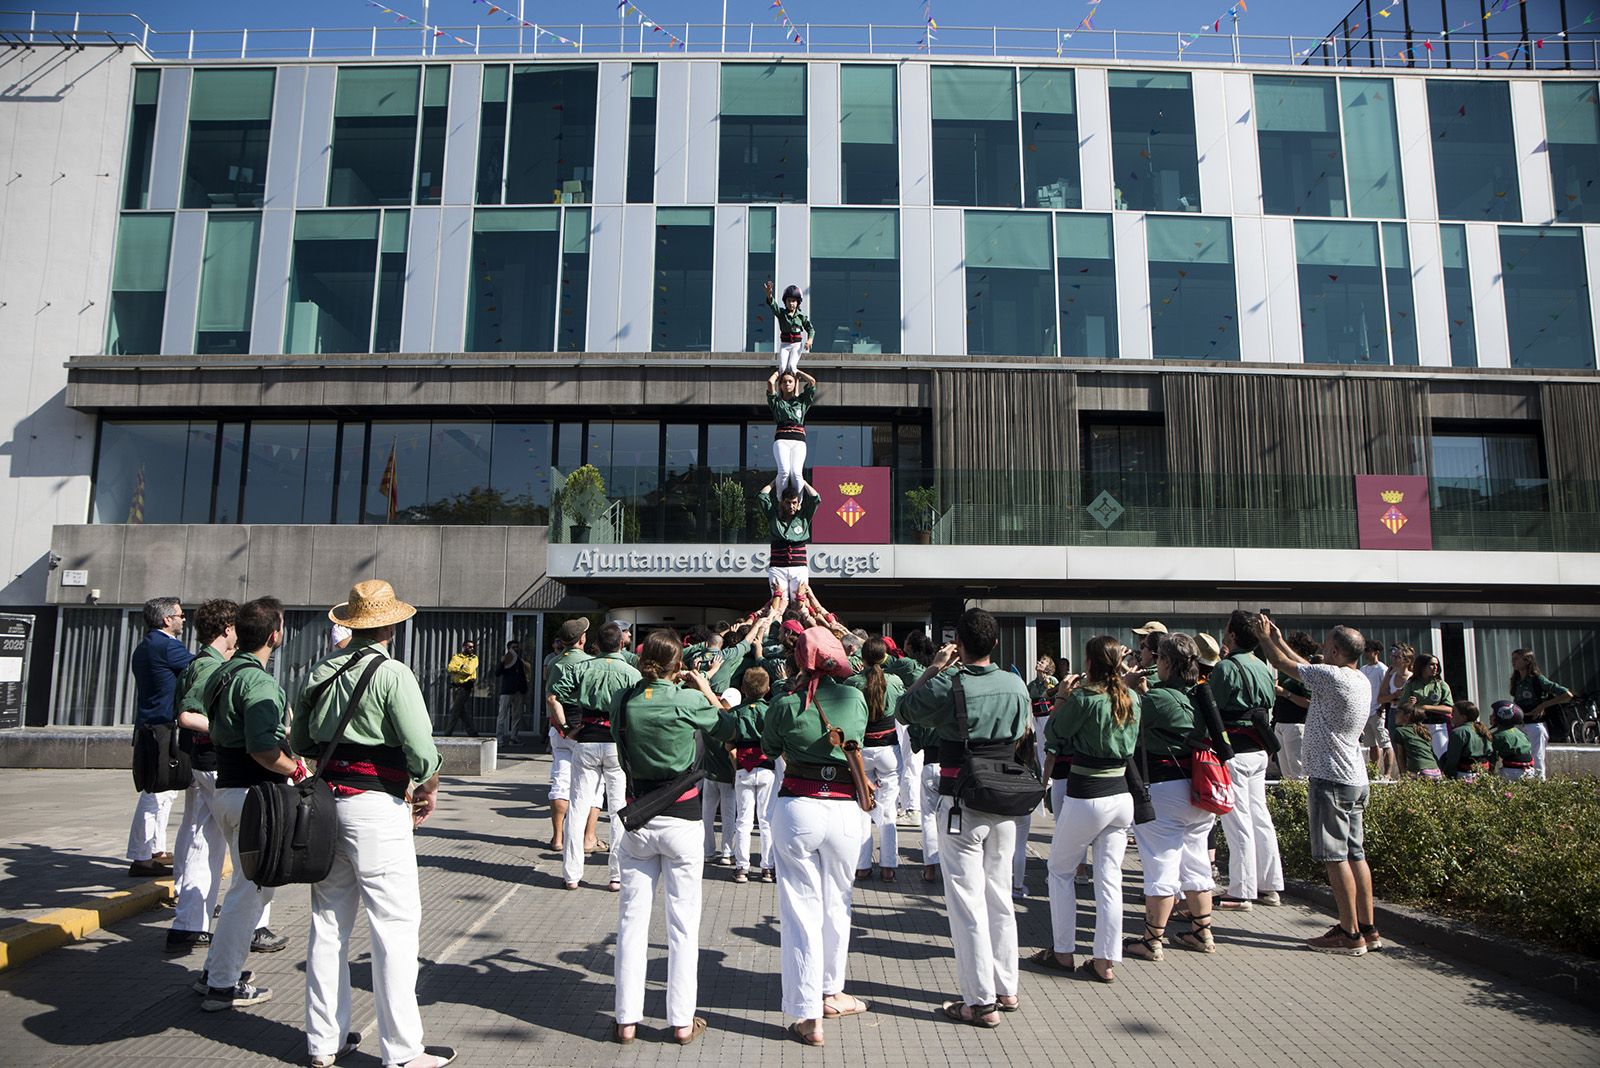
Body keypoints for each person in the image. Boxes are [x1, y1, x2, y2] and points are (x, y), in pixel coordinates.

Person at [294, 580, 454, 1068]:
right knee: (394, 926)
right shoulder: (394, 674)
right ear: (391, 625)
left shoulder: (320, 671)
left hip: (325, 801)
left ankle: (324, 1043)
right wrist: (428, 786)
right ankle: (402, 1051)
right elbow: (421, 750)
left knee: (327, 924)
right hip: (376, 805)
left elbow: (299, 737)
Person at [899, 609, 1030, 1025]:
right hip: (1007, 798)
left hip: (962, 799)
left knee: (966, 902)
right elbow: (1024, 730)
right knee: (999, 896)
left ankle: (979, 1000)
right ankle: (1006, 988)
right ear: (994, 643)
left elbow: (903, 711)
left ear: (960, 644)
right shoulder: (1015, 683)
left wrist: (935, 668)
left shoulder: (947, 683)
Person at [610, 630, 736, 1045]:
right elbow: (729, 728)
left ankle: (626, 1019)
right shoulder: (687, 700)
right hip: (682, 819)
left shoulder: (624, 700)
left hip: (638, 815)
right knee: (683, 923)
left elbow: (617, 740)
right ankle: (681, 1021)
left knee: (631, 919)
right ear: (678, 664)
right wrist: (703, 685)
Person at [761, 626, 871, 1046]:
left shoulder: (786, 703)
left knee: (800, 908)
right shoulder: (854, 697)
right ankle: (832, 991)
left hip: (798, 805)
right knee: (838, 902)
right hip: (844, 808)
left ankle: (808, 1016)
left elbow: (771, 747)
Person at [1253, 616, 1378, 956]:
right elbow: (1304, 665)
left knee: (1335, 857)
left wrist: (1265, 639)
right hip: (1354, 777)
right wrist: (1280, 638)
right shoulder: (1358, 678)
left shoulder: (1330, 677)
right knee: (1355, 853)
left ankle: (1349, 933)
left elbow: (1283, 665)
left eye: (1327, 646)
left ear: (1336, 651)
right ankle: (1368, 927)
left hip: (1331, 778)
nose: (1322, 650)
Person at [198, 597, 299, 1012]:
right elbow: (262, 747)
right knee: (250, 891)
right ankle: (222, 984)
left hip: (229, 793)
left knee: (246, 886)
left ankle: (215, 971)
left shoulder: (222, 674)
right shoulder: (259, 682)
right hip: (254, 798)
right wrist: (297, 770)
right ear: (275, 634)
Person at [1036, 635, 1139, 983]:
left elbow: (1054, 731)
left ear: (1092, 662)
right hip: (1121, 794)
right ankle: (1105, 960)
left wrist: (1062, 696)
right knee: (1109, 877)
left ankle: (1064, 952)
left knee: (1060, 870)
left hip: (1088, 792)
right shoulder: (1132, 698)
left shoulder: (1084, 698)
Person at [1125, 633, 1232, 961]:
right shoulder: (1200, 696)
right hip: (1200, 789)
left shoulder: (1155, 700)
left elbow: (1124, 721)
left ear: (1167, 663)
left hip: (1164, 788)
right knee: (1197, 862)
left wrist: (1128, 687)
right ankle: (1203, 932)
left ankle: (1152, 939)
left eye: (1159, 659)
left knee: (1161, 863)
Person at [167, 599, 244, 954]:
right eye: (237, 628)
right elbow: (187, 716)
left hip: (201, 760)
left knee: (203, 841)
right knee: (244, 842)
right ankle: (251, 927)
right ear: (227, 629)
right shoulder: (209, 667)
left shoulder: (200, 662)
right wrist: (230, 729)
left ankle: (189, 923)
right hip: (215, 760)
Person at [553, 622, 641, 893]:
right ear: (621, 644)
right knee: (618, 810)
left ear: (597, 644)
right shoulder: (631, 673)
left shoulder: (582, 667)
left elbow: (556, 695)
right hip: (616, 742)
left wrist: (568, 727)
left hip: (587, 739)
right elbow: (639, 706)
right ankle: (616, 875)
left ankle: (571, 874)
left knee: (578, 806)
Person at [1211, 609, 1283, 910]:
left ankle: (1241, 890)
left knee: (1237, 819)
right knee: (1260, 816)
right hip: (1259, 749)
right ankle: (1270, 885)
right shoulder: (1264, 668)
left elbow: (1210, 705)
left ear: (1232, 635)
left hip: (1234, 750)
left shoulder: (1225, 668)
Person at [127, 596, 195, 877]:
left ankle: (154, 850)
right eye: (180, 615)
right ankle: (142, 857)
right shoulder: (167, 646)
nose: (183, 619)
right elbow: (200, 668)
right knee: (156, 793)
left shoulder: (145, 646)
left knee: (163, 792)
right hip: (163, 729)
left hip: (150, 727)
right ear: (167, 620)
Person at [848, 638, 905, 882]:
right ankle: (889, 866)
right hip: (889, 749)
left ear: (862, 658)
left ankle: (862, 866)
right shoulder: (895, 681)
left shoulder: (853, 683)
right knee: (888, 808)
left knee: (863, 808)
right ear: (884, 658)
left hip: (862, 750)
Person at [545, 619, 599, 854]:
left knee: (560, 779)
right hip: (586, 726)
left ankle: (558, 837)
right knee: (594, 784)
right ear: (582, 639)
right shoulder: (592, 663)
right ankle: (589, 837)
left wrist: (563, 725)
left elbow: (551, 698)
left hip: (560, 728)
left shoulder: (554, 662)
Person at [730, 666, 777, 884]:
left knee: (744, 819)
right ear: (767, 688)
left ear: (743, 688)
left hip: (743, 766)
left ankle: (742, 867)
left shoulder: (736, 712)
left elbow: (728, 742)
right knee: (766, 819)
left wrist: (736, 762)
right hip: (766, 765)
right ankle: (768, 867)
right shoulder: (770, 710)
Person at [1511, 649, 1572, 779]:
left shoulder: (1537, 679)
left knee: (1536, 758)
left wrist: (1543, 705)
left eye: (1517, 659)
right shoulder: (1517, 681)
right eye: (1513, 658)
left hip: (1535, 725)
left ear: (1527, 661)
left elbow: (1567, 694)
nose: (1513, 662)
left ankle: (1540, 785)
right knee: (1523, 759)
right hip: (1521, 724)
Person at [759, 478, 821, 600]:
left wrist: (802, 482)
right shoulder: (774, 516)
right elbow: (762, 496)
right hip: (778, 567)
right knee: (779, 601)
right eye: (788, 503)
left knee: (800, 601)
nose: (791, 506)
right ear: (782, 502)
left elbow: (816, 499)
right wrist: (774, 482)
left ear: (798, 504)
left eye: (794, 503)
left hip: (799, 568)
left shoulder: (803, 517)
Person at [1270, 631, 1319, 781]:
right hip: (1281, 721)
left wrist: (1286, 693)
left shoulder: (1307, 670)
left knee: (1298, 772)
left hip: (1297, 724)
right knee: (1286, 774)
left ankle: (1303, 803)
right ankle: (1292, 802)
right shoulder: (1285, 669)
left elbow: (1310, 703)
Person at [766, 368, 819, 500]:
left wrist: (798, 372)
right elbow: (770, 382)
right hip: (782, 440)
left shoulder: (802, 401)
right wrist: (779, 372)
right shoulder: (777, 402)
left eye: (790, 381)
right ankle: (781, 502)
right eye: (784, 382)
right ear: (780, 385)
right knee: (784, 472)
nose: (787, 384)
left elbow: (812, 382)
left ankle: (798, 503)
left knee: (796, 473)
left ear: (795, 383)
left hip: (798, 441)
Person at [1398, 653, 1455, 759]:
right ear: (1422, 666)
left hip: (1437, 725)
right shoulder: (1411, 684)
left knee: (1441, 756)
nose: (1435, 668)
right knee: (1420, 757)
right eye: (1432, 665)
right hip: (1418, 725)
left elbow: (1449, 709)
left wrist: (1425, 707)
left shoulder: (1441, 685)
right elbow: (1401, 706)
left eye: (1437, 665)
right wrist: (1410, 705)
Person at [1358, 640, 1396, 781]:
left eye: (1368, 650)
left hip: (1379, 711)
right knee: (1371, 745)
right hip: (1366, 712)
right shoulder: (1363, 669)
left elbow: (1386, 689)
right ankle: (1373, 772)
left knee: (1385, 743)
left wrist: (1382, 707)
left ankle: (1387, 773)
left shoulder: (1382, 669)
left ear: (1376, 652)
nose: (1365, 653)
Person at [764, 279, 814, 374]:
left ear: (798, 302)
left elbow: (810, 329)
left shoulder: (801, 316)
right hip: (785, 345)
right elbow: (774, 306)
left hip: (796, 345)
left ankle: (797, 382)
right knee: (782, 368)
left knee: (792, 367)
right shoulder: (781, 313)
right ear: (785, 301)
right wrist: (769, 295)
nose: (791, 303)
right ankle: (778, 385)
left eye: (794, 301)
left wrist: (810, 339)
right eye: (789, 301)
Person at [1440, 701, 1493, 780]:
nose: (1451, 715)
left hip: (1465, 774)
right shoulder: (1482, 729)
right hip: (1483, 772)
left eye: (1454, 712)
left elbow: (1452, 759)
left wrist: (1448, 776)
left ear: (1463, 717)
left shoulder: (1459, 732)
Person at [1390, 706, 1442, 779]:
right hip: (1436, 771)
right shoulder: (1424, 731)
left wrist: (1403, 775)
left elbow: (1400, 755)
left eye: (1398, 712)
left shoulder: (1400, 731)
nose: (1395, 715)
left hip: (1421, 772)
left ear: (1407, 716)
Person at [1490, 701, 1535, 780]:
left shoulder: (1497, 736)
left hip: (1512, 771)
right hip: (1529, 770)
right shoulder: (1520, 733)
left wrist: (1489, 773)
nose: (1490, 716)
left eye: (1493, 714)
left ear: (1500, 717)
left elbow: (1492, 759)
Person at [496, 639, 529, 748]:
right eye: (513, 647)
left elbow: (523, 676)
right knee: (502, 716)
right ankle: (499, 739)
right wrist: (502, 662)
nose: (516, 649)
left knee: (517, 716)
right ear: (509, 648)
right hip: (507, 691)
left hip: (518, 692)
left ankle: (513, 737)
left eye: (517, 647)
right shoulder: (507, 659)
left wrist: (524, 690)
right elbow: (497, 673)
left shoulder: (519, 661)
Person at [442, 640, 479, 737]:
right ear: (464, 646)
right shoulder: (456, 657)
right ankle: (473, 733)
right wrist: (461, 668)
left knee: (455, 710)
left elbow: (469, 670)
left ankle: (447, 733)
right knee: (461, 711)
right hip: (455, 687)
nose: (471, 649)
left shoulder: (474, 658)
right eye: (469, 647)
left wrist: (458, 669)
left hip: (465, 687)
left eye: (472, 647)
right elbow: (450, 668)